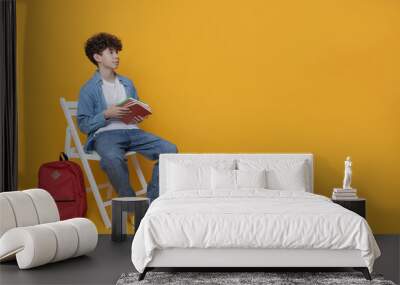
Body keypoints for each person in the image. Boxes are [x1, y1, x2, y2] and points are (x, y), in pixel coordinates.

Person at [77, 32, 178, 203]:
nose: (116, 56)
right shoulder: (88, 89)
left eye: (117, 52)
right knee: (112, 158)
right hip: (106, 135)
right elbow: (84, 124)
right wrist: (106, 114)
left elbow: (133, 108)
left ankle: (151, 201)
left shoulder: (127, 83)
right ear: (97, 57)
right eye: (111, 52)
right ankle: (130, 202)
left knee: (170, 150)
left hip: (132, 132)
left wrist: (139, 114)